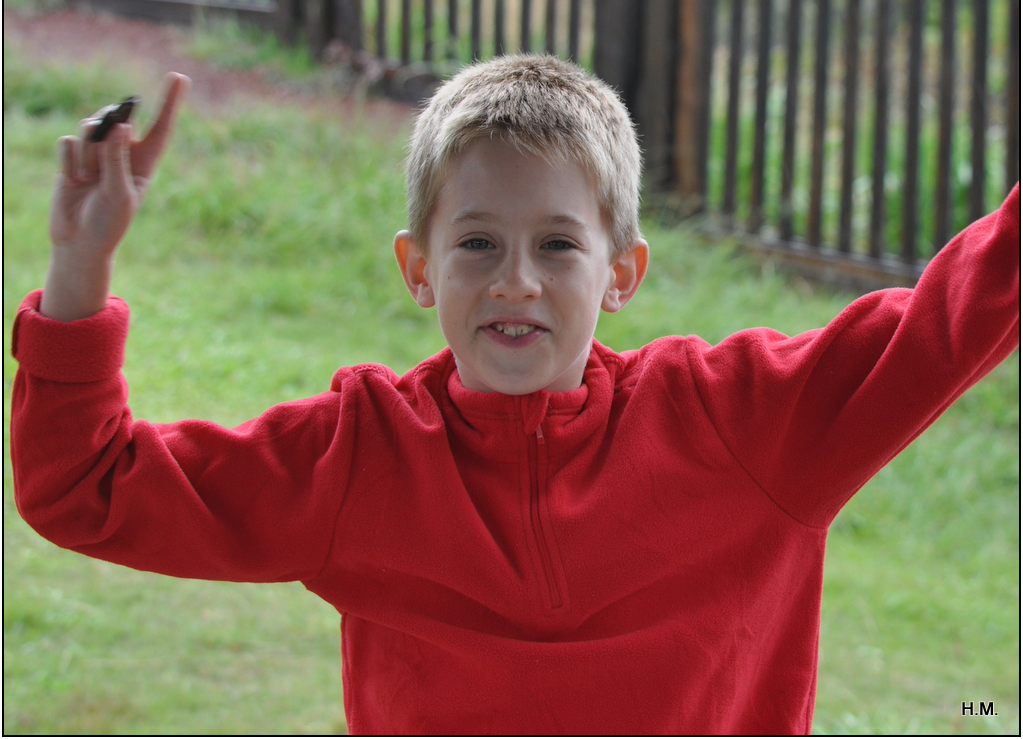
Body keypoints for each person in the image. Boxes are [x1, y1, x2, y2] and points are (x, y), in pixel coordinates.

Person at [10, 54, 1019, 735]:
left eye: (558, 245)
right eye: (478, 243)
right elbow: (86, 486)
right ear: (419, 268)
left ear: (622, 272)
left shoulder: (742, 423)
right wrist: (79, 261)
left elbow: (957, 316)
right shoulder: (360, 455)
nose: (515, 282)